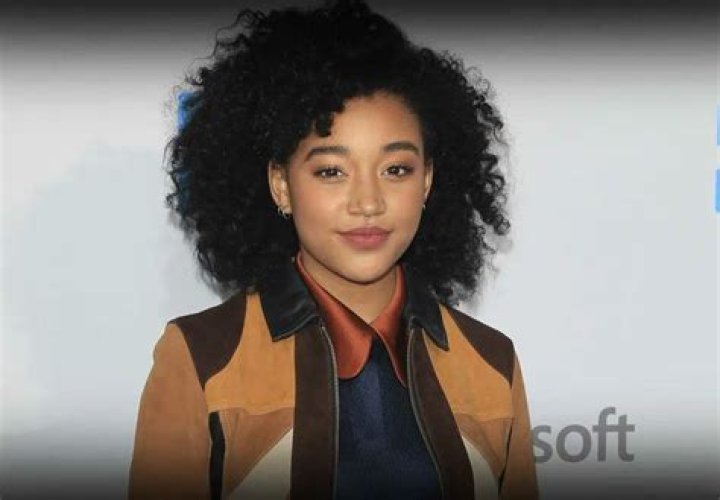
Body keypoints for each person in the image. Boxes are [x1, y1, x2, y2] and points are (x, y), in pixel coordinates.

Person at [128, 1, 539, 498]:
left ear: (428, 180)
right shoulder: (202, 357)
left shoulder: (492, 363)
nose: (368, 203)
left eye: (396, 169)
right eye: (331, 171)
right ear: (281, 185)